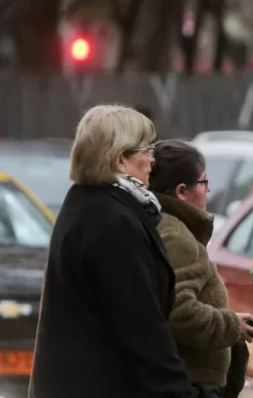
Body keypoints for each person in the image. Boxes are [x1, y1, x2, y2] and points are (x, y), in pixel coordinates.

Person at [30, 105, 199, 398]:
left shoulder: (84, 202)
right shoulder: (112, 221)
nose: (152, 162)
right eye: (147, 151)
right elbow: (140, 325)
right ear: (120, 160)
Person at [148, 140, 253, 398]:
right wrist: (232, 326)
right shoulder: (177, 237)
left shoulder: (159, 225)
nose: (208, 191)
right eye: (204, 182)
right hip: (191, 383)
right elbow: (178, 311)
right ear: (181, 191)